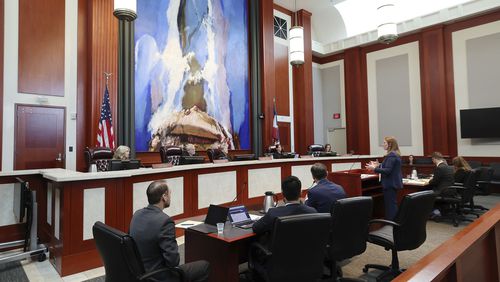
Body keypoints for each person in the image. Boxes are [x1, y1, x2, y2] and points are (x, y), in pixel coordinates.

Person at [129, 181, 210, 282]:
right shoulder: (165, 221)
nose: (170, 197)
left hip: (140, 274)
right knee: (204, 266)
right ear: (164, 197)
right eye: (170, 194)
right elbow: (173, 261)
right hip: (159, 277)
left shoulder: (137, 214)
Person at [365, 136, 402, 220]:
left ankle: (392, 223)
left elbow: (388, 171)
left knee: (390, 205)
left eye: (384, 143)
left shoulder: (391, 155)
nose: (383, 144)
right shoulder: (394, 154)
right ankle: (393, 221)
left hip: (390, 184)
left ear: (390, 144)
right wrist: (379, 165)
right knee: (391, 204)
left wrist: (374, 168)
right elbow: (389, 167)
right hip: (393, 183)